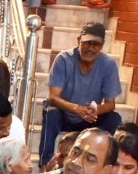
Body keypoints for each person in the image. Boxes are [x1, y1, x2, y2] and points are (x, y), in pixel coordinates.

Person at [38, 21, 122, 166]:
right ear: (78, 41)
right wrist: (77, 109)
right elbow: (52, 97)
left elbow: (110, 104)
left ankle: (105, 165)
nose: (90, 48)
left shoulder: (108, 64)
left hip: (90, 118)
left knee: (114, 118)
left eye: (95, 44)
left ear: (102, 46)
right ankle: (44, 164)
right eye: (86, 43)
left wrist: (95, 110)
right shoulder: (64, 59)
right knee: (51, 112)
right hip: (64, 114)